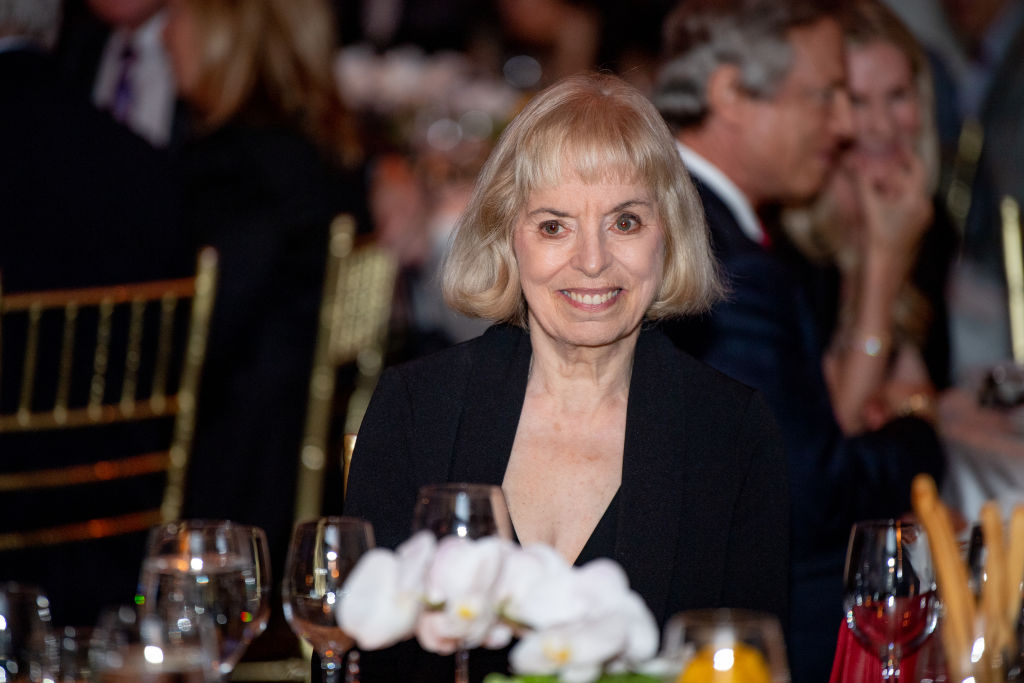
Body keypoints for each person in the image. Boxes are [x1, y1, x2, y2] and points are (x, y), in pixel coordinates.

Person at [344, 72, 790, 683]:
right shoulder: (417, 409)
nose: (593, 261)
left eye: (625, 222)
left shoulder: (730, 433)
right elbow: (361, 660)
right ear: (508, 237)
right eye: (554, 226)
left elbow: (746, 664)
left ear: (668, 234)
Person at [651, 1, 945, 680]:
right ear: (730, 94)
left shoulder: (694, 216)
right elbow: (809, 494)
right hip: (755, 635)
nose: (844, 125)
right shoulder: (727, 261)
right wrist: (922, 432)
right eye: (825, 96)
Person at [161, 0, 368, 635]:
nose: (165, 34)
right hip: (295, 460)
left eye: (178, 16)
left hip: (233, 477)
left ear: (219, 38)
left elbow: (193, 344)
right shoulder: (320, 152)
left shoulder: (231, 171)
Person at [782, 0, 958, 435]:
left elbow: (929, 389)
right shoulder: (785, 244)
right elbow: (839, 429)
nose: (882, 126)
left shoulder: (929, 221)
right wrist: (885, 260)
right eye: (858, 101)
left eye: (898, 96)